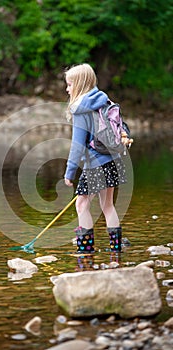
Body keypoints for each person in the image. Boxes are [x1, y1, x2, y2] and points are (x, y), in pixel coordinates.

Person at [64, 63, 128, 254]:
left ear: (79, 84)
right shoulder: (105, 100)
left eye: (69, 85)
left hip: (95, 164)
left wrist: (70, 172)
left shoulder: (81, 109)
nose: (67, 89)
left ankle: (85, 251)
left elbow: (77, 145)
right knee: (108, 205)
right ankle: (115, 249)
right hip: (114, 161)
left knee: (81, 203)